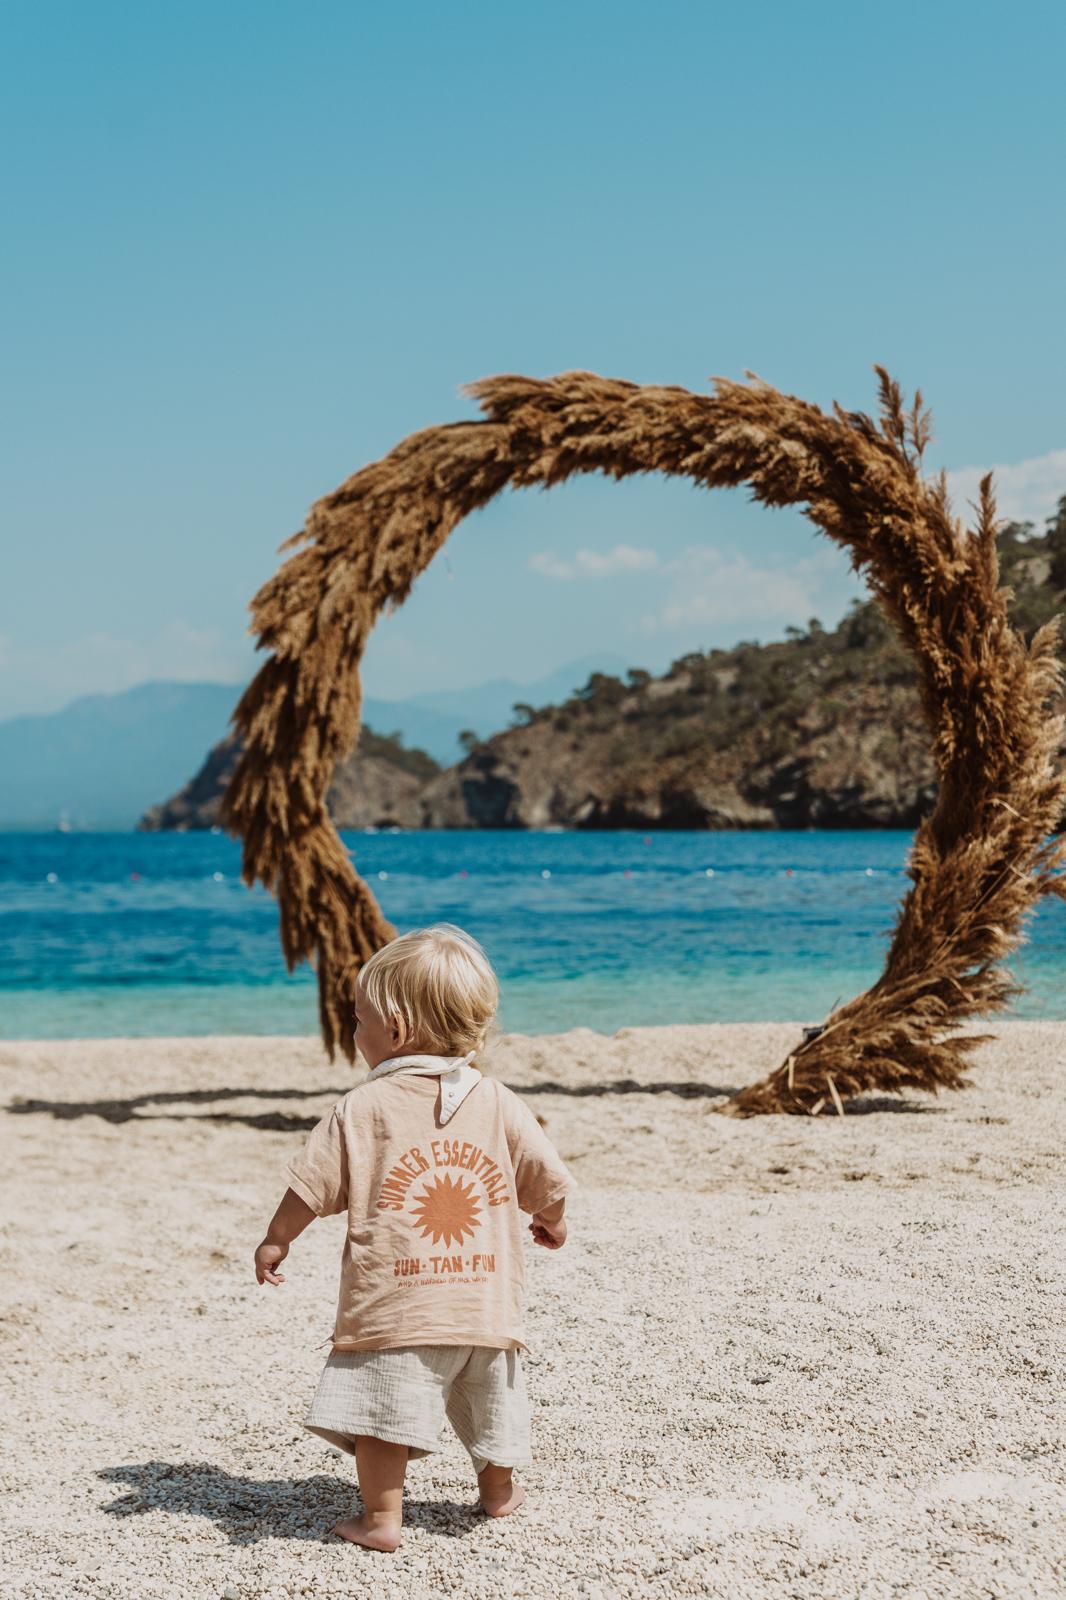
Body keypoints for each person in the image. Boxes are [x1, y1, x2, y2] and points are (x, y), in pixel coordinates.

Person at [253, 923, 575, 1551]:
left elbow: (310, 1187)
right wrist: (552, 1219)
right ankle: (499, 1493)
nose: (355, 1032)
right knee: (492, 1405)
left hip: (397, 1307)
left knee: (381, 1413)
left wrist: (276, 1238)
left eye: (359, 1020)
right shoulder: (498, 1099)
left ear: (395, 1029)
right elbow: (547, 1175)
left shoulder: (361, 1108)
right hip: (483, 1302)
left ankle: (380, 1519)